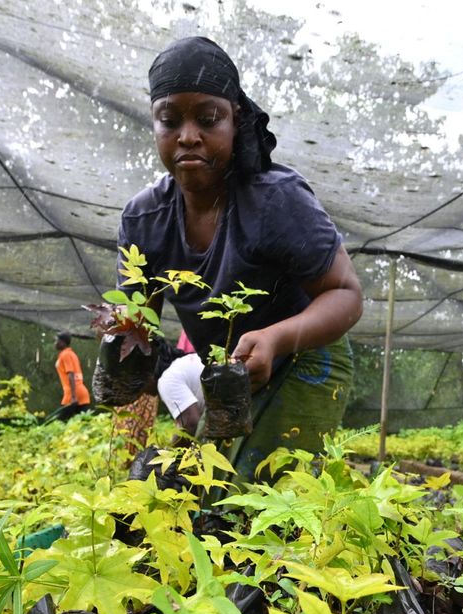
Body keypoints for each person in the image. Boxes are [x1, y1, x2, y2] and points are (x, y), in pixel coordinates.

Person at [117, 36, 363, 480]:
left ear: (236, 121)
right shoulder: (144, 219)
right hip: (229, 374)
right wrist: (124, 347)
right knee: (206, 493)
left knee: (257, 501)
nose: (188, 135)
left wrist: (276, 339)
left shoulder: (274, 200)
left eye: (208, 119)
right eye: (169, 120)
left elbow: (345, 294)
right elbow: (140, 326)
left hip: (308, 356)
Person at [51, 332, 91, 421]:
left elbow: (71, 374)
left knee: (58, 422)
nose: (55, 343)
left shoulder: (65, 355)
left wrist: (73, 397)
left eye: (57, 341)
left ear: (63, 342)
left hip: (73, 393)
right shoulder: (71, 354)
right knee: (84, 423)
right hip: (81, 393)